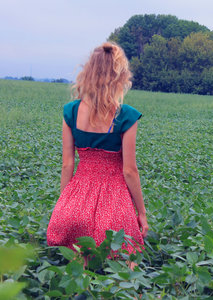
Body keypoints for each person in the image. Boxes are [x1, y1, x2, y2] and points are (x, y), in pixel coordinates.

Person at [47, 42, 149, 267]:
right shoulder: (126, 116)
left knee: (79, 268)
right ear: (120, 76)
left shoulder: (71, 112)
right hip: (115, 204)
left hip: (77, 200)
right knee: (126, 263)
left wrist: (66, 204)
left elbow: (67, 165)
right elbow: (130, 171)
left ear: (88, 72)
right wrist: (141, 212)